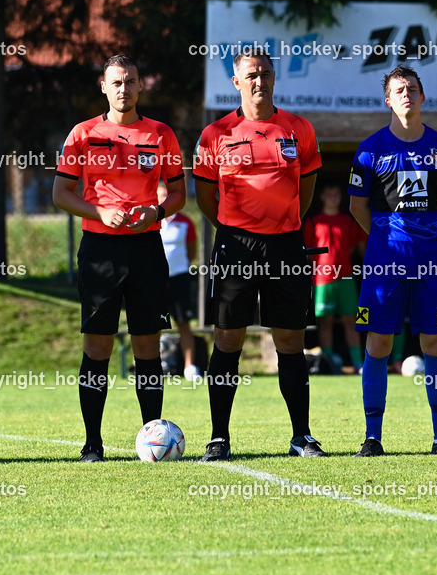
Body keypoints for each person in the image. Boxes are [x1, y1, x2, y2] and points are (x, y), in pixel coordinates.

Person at [53, 55, 186, 462]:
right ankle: (92, 443)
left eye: (130, 81)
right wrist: (100, 212)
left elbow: (179, 195)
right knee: (98, 347)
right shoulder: (83, 134)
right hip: (100, 252)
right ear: (103, 86)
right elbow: (60, 194)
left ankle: (155, 439)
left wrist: (158, 211)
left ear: (140, 85)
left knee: (148, 346)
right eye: (116, 82)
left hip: (146, 249)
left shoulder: (161, 134)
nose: (124, 88)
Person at [193, 46, 322, 461]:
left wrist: (281, 225)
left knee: (290, 339)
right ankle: (218, 438)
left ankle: (301, 436)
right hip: (235, 247)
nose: (259, 80)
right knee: (228, 338)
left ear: (273, 77)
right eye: (251, 74)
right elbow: (205, 197)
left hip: (285, 243)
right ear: (236, 82)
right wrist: (236, 230)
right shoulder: (215, 134)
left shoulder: (298, 128)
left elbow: (306, 191)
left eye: (265, 73)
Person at [348, 65, 437, 457]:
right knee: (379, 343)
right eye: (398, 90)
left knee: (435, 342)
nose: (406, 94)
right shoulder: (369, 149)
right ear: (387, 99)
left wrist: (426, 235)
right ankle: (372, 437)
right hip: (385, 263)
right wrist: (386, 238)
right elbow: (357, 206)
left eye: (412, 88)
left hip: (431, 261)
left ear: (423, 97)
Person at [303, 181, 366, 372]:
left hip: (346, 277)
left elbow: (355, 247)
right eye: (328, 193)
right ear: (321, 197)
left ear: (341, 197)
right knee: (325, 322)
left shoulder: (348, 221)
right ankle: (330, 363)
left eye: (336, 193)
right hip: (322, 279)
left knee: (352, 321)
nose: (332, 196)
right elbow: (308, 252)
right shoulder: (313, 222)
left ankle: (358, 363)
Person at [158, 181, 200, 381]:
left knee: (183, 323)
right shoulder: (149, 220)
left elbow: (191, 251)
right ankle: (154, 366)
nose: (162, 199)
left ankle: (189, 366)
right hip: (155, 279)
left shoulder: (185, 222)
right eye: (158, 195)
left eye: (166, 195)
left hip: (179, 278)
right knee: (152, 324)